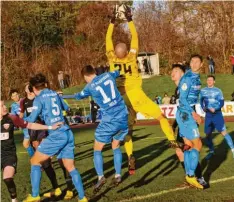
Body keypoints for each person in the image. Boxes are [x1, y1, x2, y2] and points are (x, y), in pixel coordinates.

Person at [106, 6, 179, 175]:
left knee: (128, 131)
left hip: (122, 98)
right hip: (136, 95)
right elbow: (135, 38)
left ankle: (131, 155)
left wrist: (112, 22)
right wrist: (130, 20)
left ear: (116, 52)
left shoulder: (111, 58)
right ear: (126, 52)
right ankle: (171, 140)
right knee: (160, 116)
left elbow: (108, 40)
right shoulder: (131, 56)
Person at [22, 73, 87, 202]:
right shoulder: (54, 93)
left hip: (56, 134)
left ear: (34, 88)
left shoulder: (38, 99)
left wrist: (20, 120)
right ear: (45, 84)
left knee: (34, 161)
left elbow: (31, 120)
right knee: (70, 167)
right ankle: (82, 197)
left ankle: (35, 195)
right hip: (67, 132)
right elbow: (67, 108)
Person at [68, 65, 128, 192]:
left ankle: (101, 176)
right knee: (115, 146)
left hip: (110, 119)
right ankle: (118, 175)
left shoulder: (89, 87)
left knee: (97, 149)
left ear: (85, 76)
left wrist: (70, 95)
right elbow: (118, 72)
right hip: (123, 116)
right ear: (94, 71)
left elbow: (78, 96)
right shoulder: (108, 75)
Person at [0, 100, 61, 202]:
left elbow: (31, 125)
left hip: (8, 154)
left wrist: (50, 127)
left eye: (4, 105)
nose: (5, 107)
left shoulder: (11, 118)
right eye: (2, 106)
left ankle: (14, 200)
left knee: (7, 178)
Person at [171, 64, 207, 188]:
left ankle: (198, 177)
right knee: (181, 150)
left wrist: (195, 115)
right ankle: (189, 177)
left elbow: (189, 103)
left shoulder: (186, 84)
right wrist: (174, 125)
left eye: (176, 71)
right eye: (172, 71)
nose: (172, 73)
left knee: (193, 147)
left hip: (188, 119)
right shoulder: (177, 89)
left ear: (182, 74)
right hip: (183, 121)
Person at [200, 75, 234, 159]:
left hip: (217, 114)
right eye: (208, 80)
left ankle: (233, 150)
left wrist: (216, 109)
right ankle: (212, 151)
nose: (209, 81)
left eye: (211, 80)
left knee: (223, 132)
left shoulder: (218, 91)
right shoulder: (203, 91)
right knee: (207, 134)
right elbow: (201, 101)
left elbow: (222, 103)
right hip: (208, 115)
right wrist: (203, 108)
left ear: (214, 81)